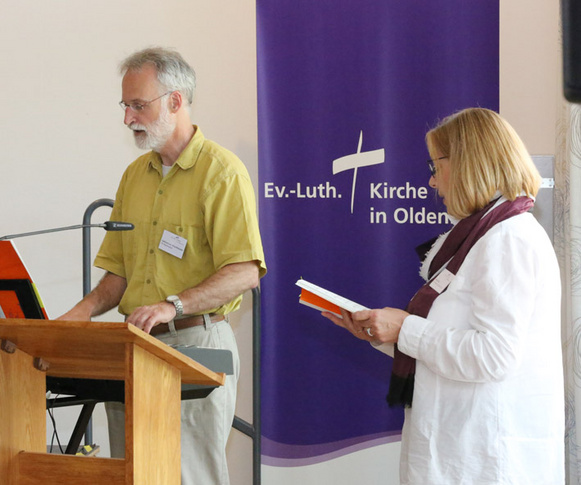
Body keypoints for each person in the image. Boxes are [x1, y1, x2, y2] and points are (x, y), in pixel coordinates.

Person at [59, 47, 266, 485]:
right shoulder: (135, 175)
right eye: (126, 105)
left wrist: (173, 304)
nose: (128, 117)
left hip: (196, 344)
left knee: (188, 477)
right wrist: (79, 314)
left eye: (139, 105)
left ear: (176, 101)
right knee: (133, 476)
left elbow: (245, 272)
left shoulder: (222, 172)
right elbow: (118, 274)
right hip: (135, 350)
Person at [323, 108, 564, 484]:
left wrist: (406, 329)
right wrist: (384, 333)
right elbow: (450, 335)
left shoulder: (508, 239)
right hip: (460, 446)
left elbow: (493, 356)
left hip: (486, 456)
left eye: (436, 166)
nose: (433, 182)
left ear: (469, 163)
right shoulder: (479, 235)